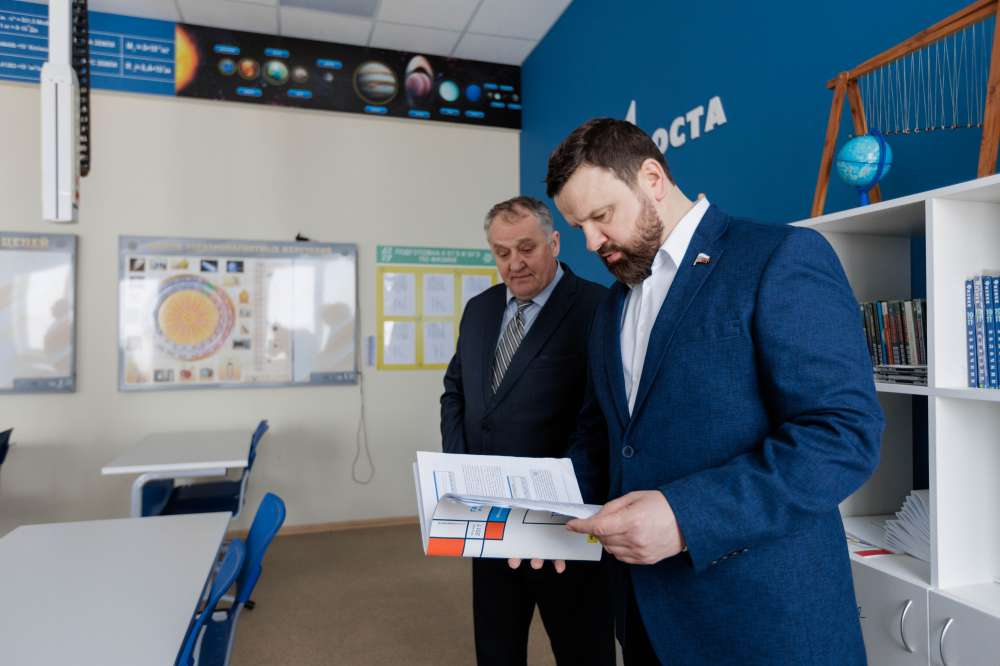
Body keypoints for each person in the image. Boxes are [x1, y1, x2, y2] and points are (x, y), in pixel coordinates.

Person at [534, 118, 884, 664]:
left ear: (652, 179)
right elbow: (604, 436)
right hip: (645, 617)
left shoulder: (780, 257)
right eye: (579, 225)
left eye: (601, 216)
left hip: (763, 623)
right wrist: (550, 515)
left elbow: (843, 436)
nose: (591, 242)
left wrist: (685, 517)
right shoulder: (613, 305)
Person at [440, 195, 614, 666]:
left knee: (582, 652)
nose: (514, 263)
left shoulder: (598, 308)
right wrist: (458, 470)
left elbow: (602, 419)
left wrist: (561, 505)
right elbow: (456, 392)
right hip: (488, 517)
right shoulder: (479, 310)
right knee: (496, 648)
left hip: (563, 522)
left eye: (526, 248)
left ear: (554, 243)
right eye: (502, 252)